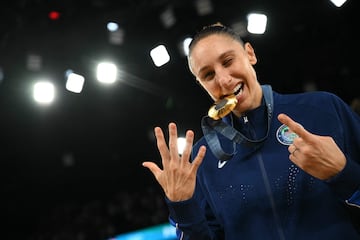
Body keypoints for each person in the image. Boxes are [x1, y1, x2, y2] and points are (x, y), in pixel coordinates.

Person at [142, 23, 360, 240]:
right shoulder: (202, 158)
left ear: (250, 54)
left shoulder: (322, 109)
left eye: (228, 61)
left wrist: (344, 173)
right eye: (208, 75)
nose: (224, 80)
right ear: (201, 84)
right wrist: (183, 207)